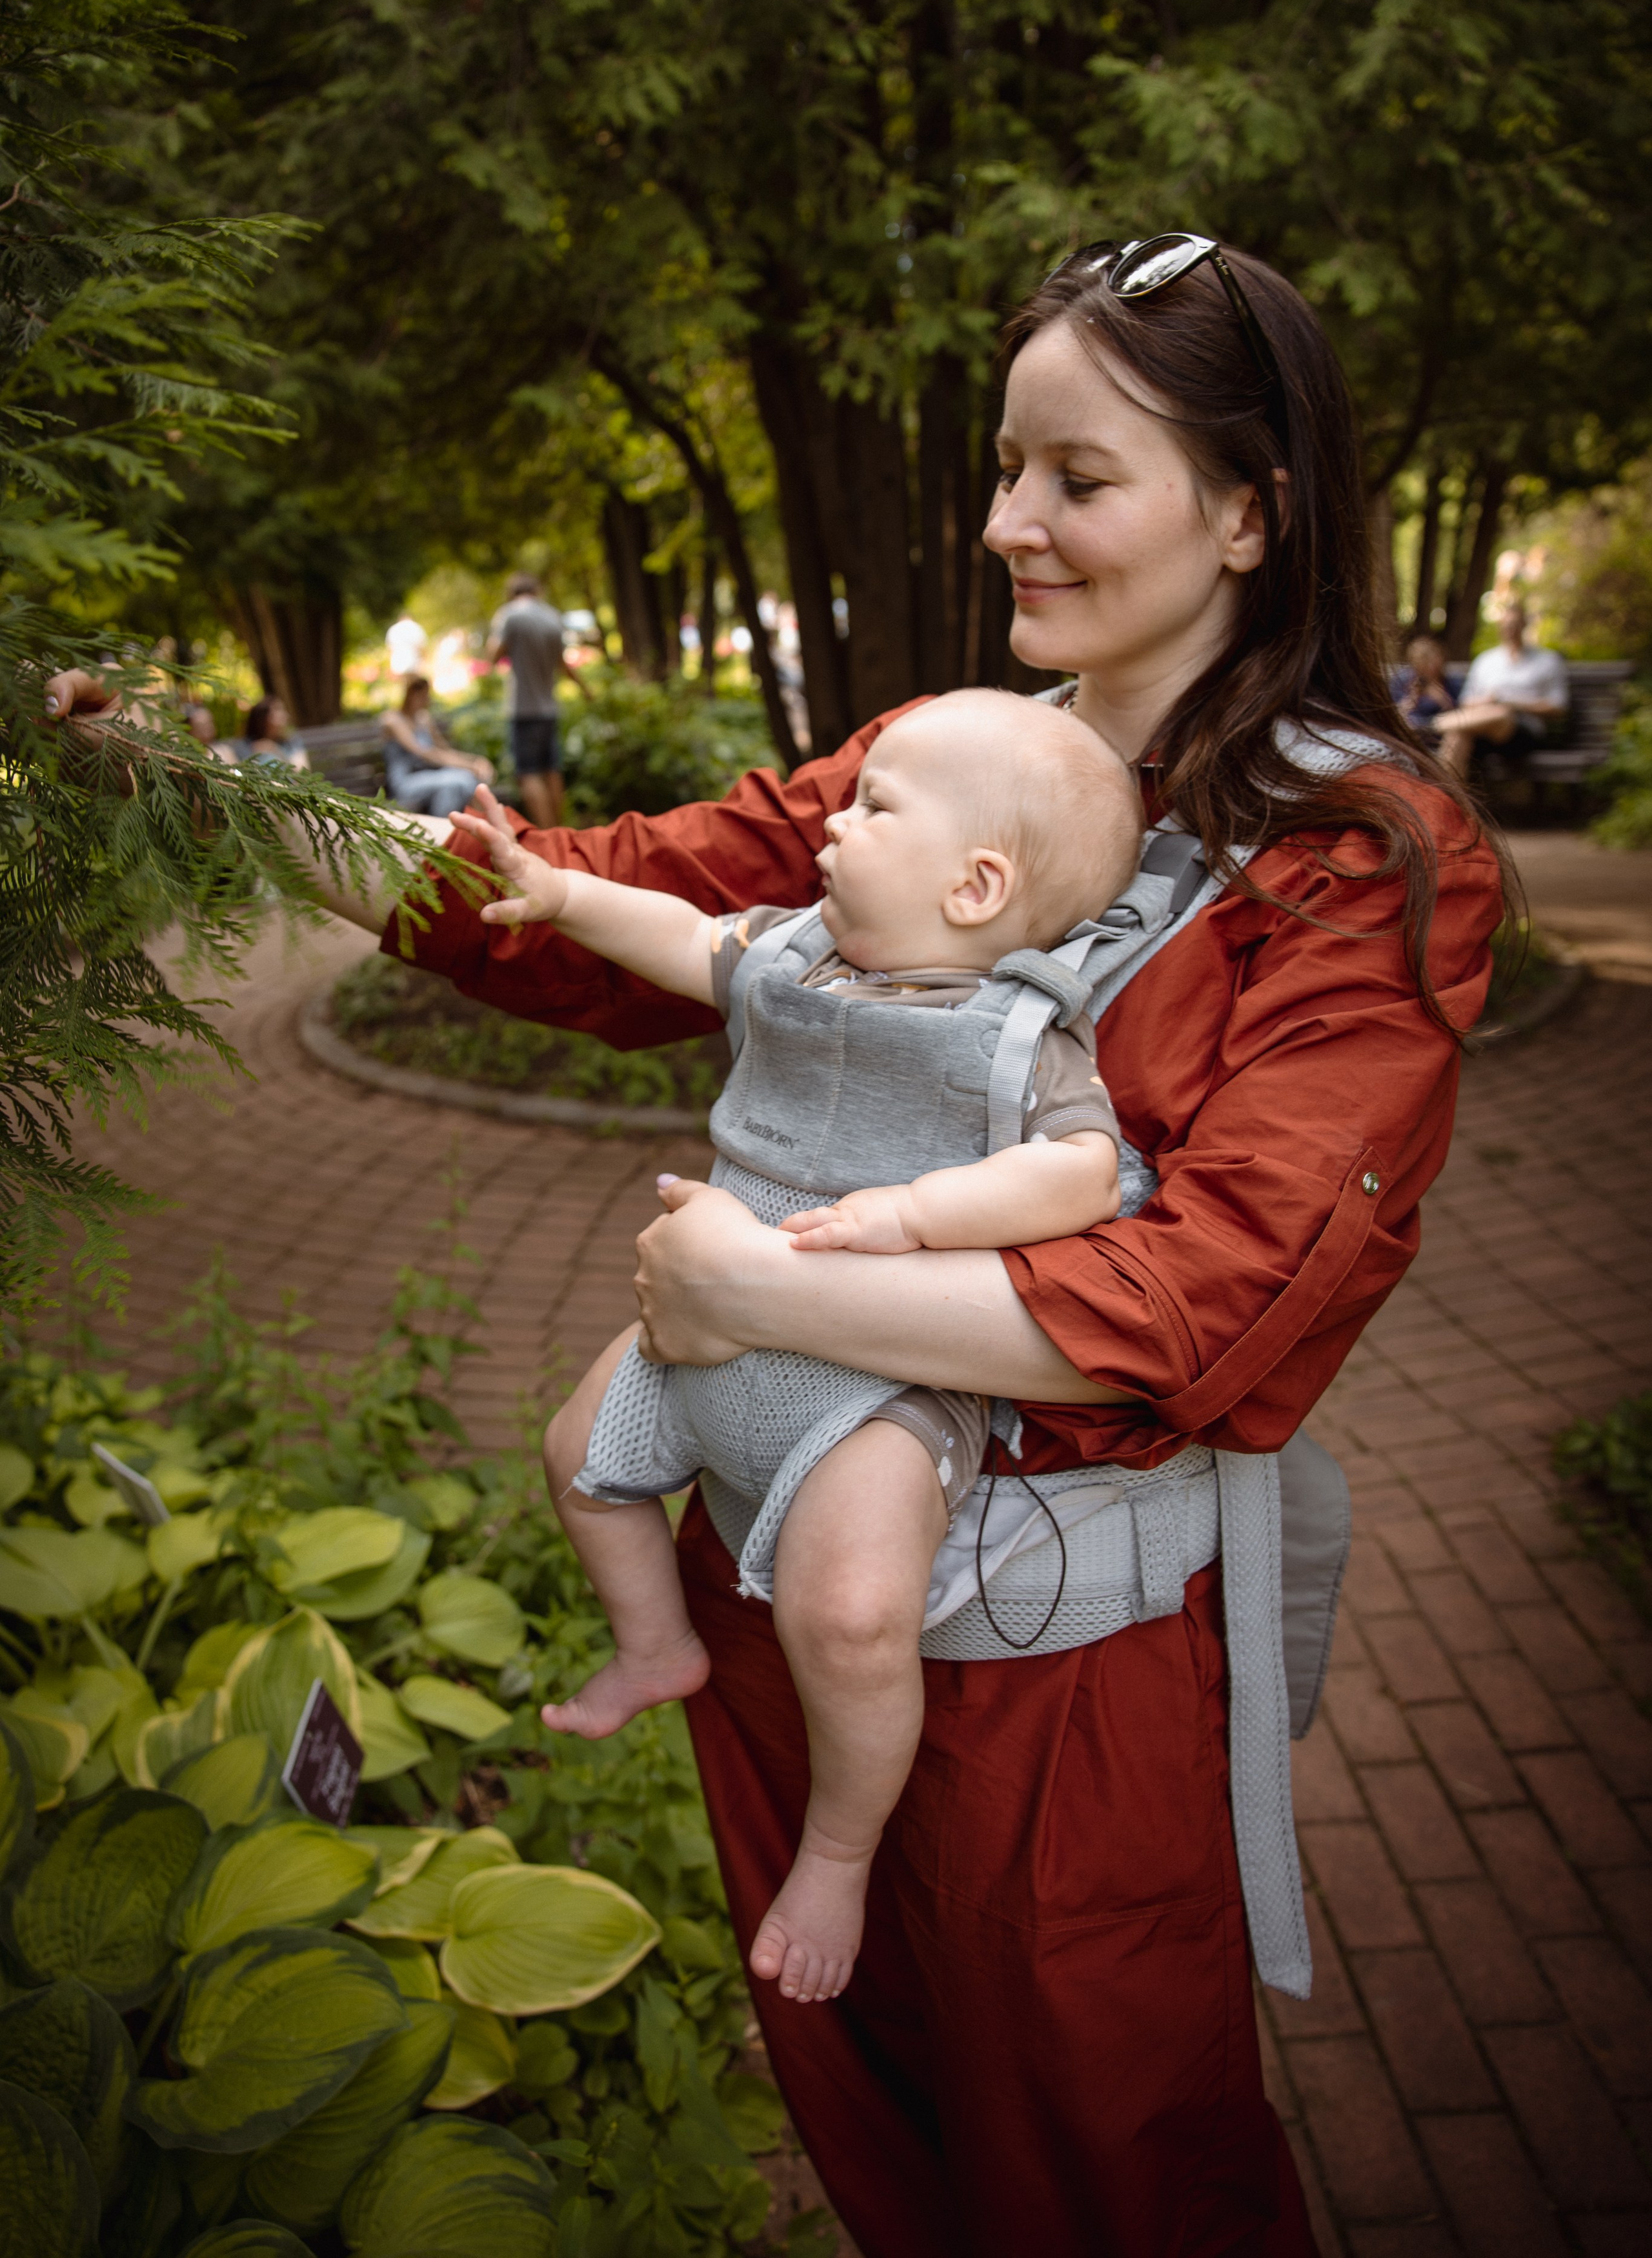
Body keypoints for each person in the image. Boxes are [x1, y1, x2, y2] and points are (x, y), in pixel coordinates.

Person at [43, 232, 1507, 2258]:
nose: (1007, 520)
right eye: (1008, 466)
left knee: (1106, 2155)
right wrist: (218, 791)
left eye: (1077, 477)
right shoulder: (940, 756)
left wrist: (765, 1288)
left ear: (1250, 509)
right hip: (783, 1598)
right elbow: (585, 897)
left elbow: (1220, 1294)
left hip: (1058, 1686)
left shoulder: (1364, 861)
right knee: (878, 2110)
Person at [452, 692, 1140, 2007]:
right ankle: (657, 1643)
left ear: (976, 879)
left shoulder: (1016, 1036)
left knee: (853, 1611)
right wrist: (557, 889)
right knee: (577, 1458)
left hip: (880, 1379)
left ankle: (838, 1851)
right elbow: (684, 936)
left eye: (874, 806)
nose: (833, 823)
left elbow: (1083, 1173)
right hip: (698, 1325)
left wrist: (917, 1215)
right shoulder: (799, 950)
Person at [1433, 596, 1568, 780]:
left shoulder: (1547, 661)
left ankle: (1433, 724)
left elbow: (1558, 707)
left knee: (1501, 713)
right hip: (1482, 729)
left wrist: (1513, 704)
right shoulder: (1485, 661)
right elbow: (1466, 702)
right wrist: (1487, 701)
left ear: (1524, 625)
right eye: (1506, 625)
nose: (1510, 630)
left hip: (1525, 733)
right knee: (1457, 736)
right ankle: (1450, 802)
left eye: (1514, 625)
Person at [487, 571, 579, 829]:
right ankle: (561, 833)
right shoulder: (552, 616)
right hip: (549, 708)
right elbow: (564, 663)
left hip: (523, 709)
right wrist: (585, 689)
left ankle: (548, 837)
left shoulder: (510, 615)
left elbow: (494, 655)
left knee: (528, 774)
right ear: (536, 590)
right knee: (552, 770)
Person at [379, 675, 492, 817]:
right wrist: (469, 766)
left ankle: (459, 831)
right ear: (410, 694)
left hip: (430, 777)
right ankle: (447, 830)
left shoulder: (424, 719)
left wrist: (475, 761)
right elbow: (424, 753)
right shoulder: (393, 721)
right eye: (423, 695)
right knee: (457, 782)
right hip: (405, 784)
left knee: (459, 784)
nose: (427, 699)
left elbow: (445, 750)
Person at [1388, 632, 1462, 749]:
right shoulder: (1403, 680)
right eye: (1425, 661)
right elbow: (1394, 716)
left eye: (1435, 659)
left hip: (1440, 730)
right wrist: (1411, 700)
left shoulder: (1453, 683)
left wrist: (1441, 699)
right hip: (1412, 729)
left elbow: (1462, 716)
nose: (1432, 666)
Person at [243, 696, 309, 769]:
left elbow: (302, 773)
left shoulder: (291, 741)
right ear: (264, 719)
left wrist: (275, 750)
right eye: (278, 710)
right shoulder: (248, 745)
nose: (286, 716)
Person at [385, 611, 427, 680]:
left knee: (404, 685)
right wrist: (424, 662)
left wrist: (391, 665)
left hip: (398, 663)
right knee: (414, 684)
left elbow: (390, 649)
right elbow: (422, 647)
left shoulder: (393, 630)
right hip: (415, 663)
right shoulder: (417, 628)